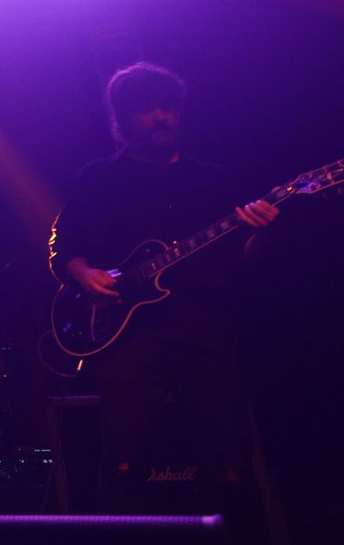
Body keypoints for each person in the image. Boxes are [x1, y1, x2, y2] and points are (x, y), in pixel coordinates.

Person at [48, 63, 278, 512]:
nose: (161, 117)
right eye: (147, 109)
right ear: (120, 120)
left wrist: (266, 232)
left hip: (206, 330)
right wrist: (84, 274)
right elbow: (64, 248)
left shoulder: (214, 180)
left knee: (224, 449)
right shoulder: (97, 179)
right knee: (125, 452)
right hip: (132, 337)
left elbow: (246, 262)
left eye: (169, 108)